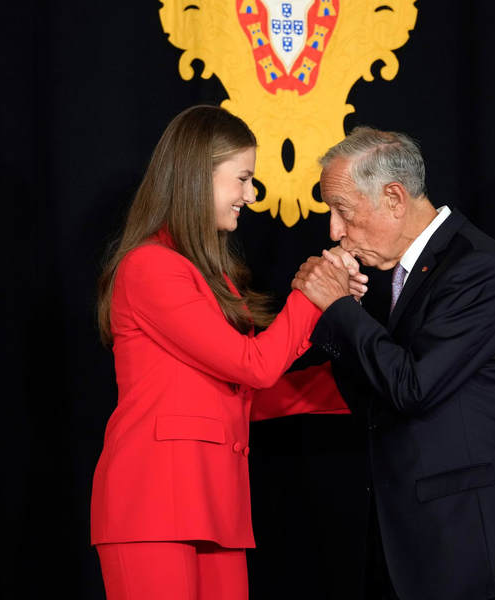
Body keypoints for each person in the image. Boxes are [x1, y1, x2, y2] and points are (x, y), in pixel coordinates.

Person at [91, 105, 359, 600]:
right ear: (197, 175)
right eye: (242, 179)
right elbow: (251, 366)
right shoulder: (149, 267)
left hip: (214, 506)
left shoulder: (212, 278)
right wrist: (313, 295)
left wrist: (358, 381)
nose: (250, 195)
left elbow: (240, 394)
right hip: (152, 506)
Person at [292, 127, 495, 600]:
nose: (333, 231)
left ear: (394, 198)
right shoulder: (404, 276)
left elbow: (413, 387)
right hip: (420, 551)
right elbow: (376, 407)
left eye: (342, 210)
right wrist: (341, 316)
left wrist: (338, 310)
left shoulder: (478, 268)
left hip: (481, 555)